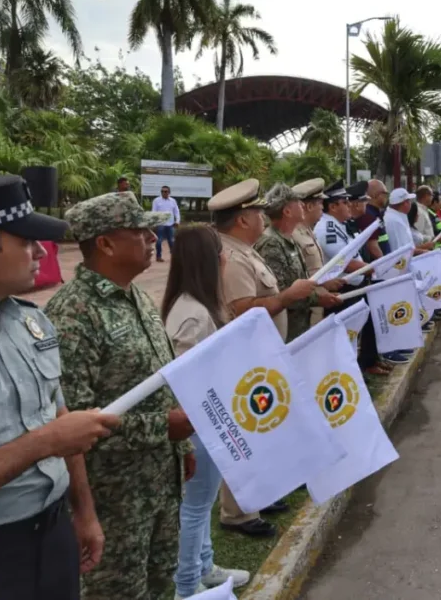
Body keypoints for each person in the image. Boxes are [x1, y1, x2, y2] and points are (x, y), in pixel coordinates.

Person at [45, 191, 195, 600]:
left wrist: (179, 449)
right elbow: (70, 421)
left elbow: (156, 383)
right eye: (139, 230)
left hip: (158, 482)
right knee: (118, 592)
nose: (152, 236)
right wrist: (162, 428)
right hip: (113, 498)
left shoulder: (137, 298)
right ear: (105, 243)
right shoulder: (73, 313)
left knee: (160, 580)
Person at [0, 175, 121, 600]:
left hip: (55, 528)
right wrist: (44, 442)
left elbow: (60, 418)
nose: (40, 252)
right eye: (26, 240)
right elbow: (55, 434)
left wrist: (84, 513)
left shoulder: (31, 322)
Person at [208, 179, 319, 535]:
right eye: (256, 211)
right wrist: (287, 297)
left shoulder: (246, 249)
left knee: (263, 427)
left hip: (263, 353)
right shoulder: (233, 256)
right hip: (246, 357)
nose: (262, 216)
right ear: (242, 218)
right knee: (247, 430)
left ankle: (262, 493)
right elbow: (241, 309)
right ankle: (238, 513)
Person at [161, 226, 250, 598]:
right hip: (199, 423)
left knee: (201, 503)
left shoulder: (189, 304)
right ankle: (188, 587)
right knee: (196, 508)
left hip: (201, 420)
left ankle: (205, 567)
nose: (226, 258)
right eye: (221, 253)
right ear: (209, 261)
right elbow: (184, 379)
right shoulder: (195, 314)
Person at [315, 182, 390, 375]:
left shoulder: (338, 225)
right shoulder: (327, 229)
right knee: (345, 337)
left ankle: (358, 370)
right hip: (341, 290)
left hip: (352, 287)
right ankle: (346, 375)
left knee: (355, 334)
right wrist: (378, 268)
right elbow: (345, 263)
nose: (349, 205)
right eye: (344, 202)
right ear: (332, 207)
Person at [255, 183, 343, 343]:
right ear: (287, 211)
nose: (303, 205)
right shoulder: (271, 243)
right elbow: (281, 293)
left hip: (299, 326)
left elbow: (301, 280)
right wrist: (318, 299)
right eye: (298, 203)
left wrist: (321, 295)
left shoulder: (288, 238)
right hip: (285, 332)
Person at [292, 178, 328, 325]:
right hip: (305, 310)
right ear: (309, 206)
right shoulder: (294, 234)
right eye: (320, 203)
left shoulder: (308, 231)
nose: (323, 207)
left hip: (317, 305)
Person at [385, 188, 435, 256]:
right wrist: (423, 252)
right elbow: (402, 250)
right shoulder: (396, 221)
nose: (410, 204)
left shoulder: (396, 217)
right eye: (409, 201)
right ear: (405, 203)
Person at [355, 179, 392, 261]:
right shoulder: (368, 216)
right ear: (375, 195)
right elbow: (372, 247)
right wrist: (385, 265)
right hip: (378, 267)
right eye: (385, 194)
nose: (387, 197)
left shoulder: (375, 213)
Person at [152, 185, 181, 263]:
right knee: (159, 241)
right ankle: (158, 256)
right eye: (162, 191)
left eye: (165, 191)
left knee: (172, 241)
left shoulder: (173, 201)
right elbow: (154, 212)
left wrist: (177, 221)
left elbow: (176, 212)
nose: (164, 193)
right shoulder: (156, 200)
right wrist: (154, 223)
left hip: (170, 224)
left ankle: (174, 257)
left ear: (169, 192)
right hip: (160, 224)